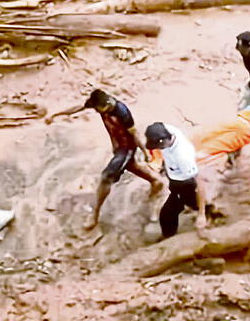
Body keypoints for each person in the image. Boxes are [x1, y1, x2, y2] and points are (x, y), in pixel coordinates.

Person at [45, 89, 164, 230]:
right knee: (130, 166)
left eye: (98, 109)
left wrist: (145, 152)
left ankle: (94, 215)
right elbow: (78, 107)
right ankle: (155, 181)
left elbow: (134, 133)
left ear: (106, 105)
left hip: (126, 149)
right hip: (118, 146)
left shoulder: (122, 113)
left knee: (106, 177)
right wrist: (56, 113)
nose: (97, 112)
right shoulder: (99, 103)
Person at [144, 122, 207, 238]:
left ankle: (206, 213)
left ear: (163, 141)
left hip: (185, 183)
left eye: (160, 147)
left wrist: (201, 214)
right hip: (173, 176)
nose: (159, 149)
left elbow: (199, 182)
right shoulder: (167, 129)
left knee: (169, 213)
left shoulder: (183, 156)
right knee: (176, 209)